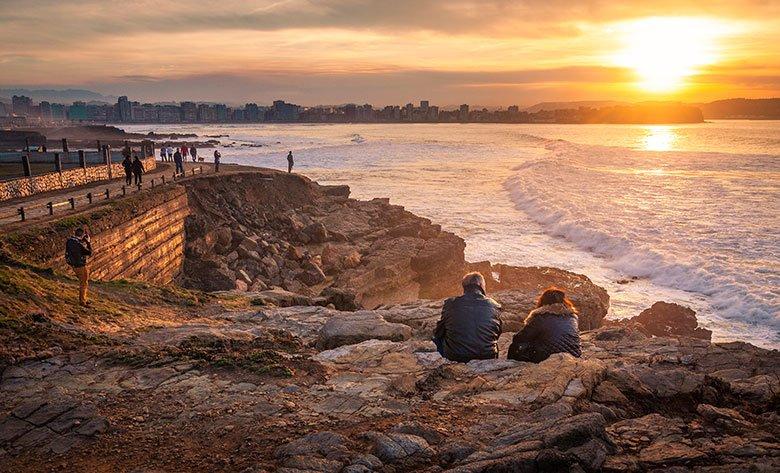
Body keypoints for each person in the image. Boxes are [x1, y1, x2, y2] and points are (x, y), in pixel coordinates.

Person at [432, 272, 502, 362]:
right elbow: (498, 331)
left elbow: (439, 331)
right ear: (481, 285)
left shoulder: (450, 303)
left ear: (464, 286)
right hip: (487, 356)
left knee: (437, 339)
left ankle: (447, 364)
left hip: (457, 356)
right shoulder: (495, 305)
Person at [507, 287, 581, 363]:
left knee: (515, 346)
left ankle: (510, 366)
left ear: (543, 301)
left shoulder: (541, 317)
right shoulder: (573, 317)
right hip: (574, 356)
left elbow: (520, 338)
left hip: (548, 359)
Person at [65, 227, 92, 306]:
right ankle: (82, 302)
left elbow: (76, 245)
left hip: (73, 264)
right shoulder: (79, 244)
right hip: (80, 266)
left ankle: (84, 299)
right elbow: (89, 252)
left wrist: (82, 240)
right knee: (84, 283)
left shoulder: (69, 240)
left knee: (82, 282)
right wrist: (88, 242)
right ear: (82, 235)